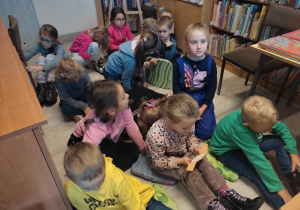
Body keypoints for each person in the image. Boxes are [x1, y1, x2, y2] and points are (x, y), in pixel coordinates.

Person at [145, 93, 264, 210]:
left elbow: (190, 137)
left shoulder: (186, 123)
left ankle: (226, 193)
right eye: (184, 128)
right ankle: (210, 204)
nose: (188, 130)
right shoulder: (156, 135)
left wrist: (194, 147)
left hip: (182, 151)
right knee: (189, 171)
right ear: (169, 120)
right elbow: (157, 161)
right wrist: (180, 161)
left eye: (190, 126)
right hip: (165, 161)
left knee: (203, 162)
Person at [210, 95, 300, 209]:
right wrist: (281, 190)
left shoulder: (261, 117)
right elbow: (259, 162)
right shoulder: (240, 130)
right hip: (227, 150)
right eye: (265, 130)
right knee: (258, 175)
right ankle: (287, 206)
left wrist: (294, 153)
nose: (269, 131)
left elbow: (282, 129)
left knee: (279, 141)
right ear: (247, 125)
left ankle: (295, 179)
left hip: (244, 142)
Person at [64, 142, 171, 210]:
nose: (96, 189)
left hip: (141, 200)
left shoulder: (117, 179)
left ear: (104, 160)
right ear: (69, 178)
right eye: (87, 188)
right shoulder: (70, 190)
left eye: (101, 182)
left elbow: (134, 204)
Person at [68, 80, 145, 171]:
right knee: (103, 161)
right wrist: (99, 161)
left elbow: (133, 129)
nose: (127, 95)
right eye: (123, 97)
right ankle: (108, 171)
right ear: (112, 110)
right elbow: (87, 152)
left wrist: (142, 147)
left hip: (106, 139)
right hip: (82, 144)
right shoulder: (95, 127)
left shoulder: (124, 109)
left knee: (134, 149)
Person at [173, 22, 217, 140]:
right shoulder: (179, 64)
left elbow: (212, 87)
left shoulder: (210, 62)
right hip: (185, 98)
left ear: (208, 43)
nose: (198, 46)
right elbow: (176, 89)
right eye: (194, 42)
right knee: (178, 128)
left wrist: (201, 109)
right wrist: (189, 110)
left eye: (202, 41)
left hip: (203, 99)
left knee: (207, 133)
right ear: (186, 45)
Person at [25, 24, 68, 106]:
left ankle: (51, 86)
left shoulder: (59, 47)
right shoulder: (40, 45)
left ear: (54, 40)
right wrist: (18, 57)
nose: (44, 43)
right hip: (50, 69)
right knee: (40, 58)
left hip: (63, 69)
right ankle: (42, 86)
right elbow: (29, 54)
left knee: (50, 57)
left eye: (47, 40)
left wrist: (39, 68)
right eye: (42, 39)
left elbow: (56, 62)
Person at [55, 58, 92, 122]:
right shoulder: (59, 78)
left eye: (79, 77)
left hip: (84, 94)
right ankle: (86, 111)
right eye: (74, 79)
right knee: (65, 110)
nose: (77, 80)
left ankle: (85, 112)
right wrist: (84, 107)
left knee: (99, 98)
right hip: (72, 99)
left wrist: (93, 99)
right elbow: (66, 98)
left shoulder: (81, 69)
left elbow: (90, 86)